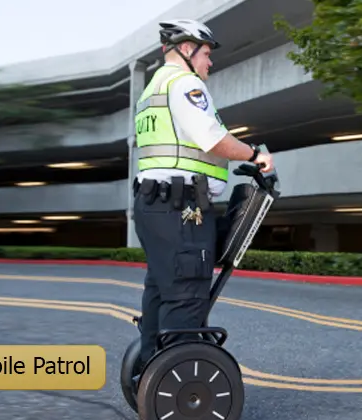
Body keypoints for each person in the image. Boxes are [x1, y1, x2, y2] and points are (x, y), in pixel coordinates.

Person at [131, 18, 274, 379]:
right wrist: (255, 154)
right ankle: (180, 386)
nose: (210, 62)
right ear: (185, 50)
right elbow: (213, 139)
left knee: (162, 289)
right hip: (182, 208)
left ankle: (151, 366)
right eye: (206, 53)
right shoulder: (184, 85)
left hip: (155, 205)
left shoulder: (151, 92)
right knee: (186, 292)